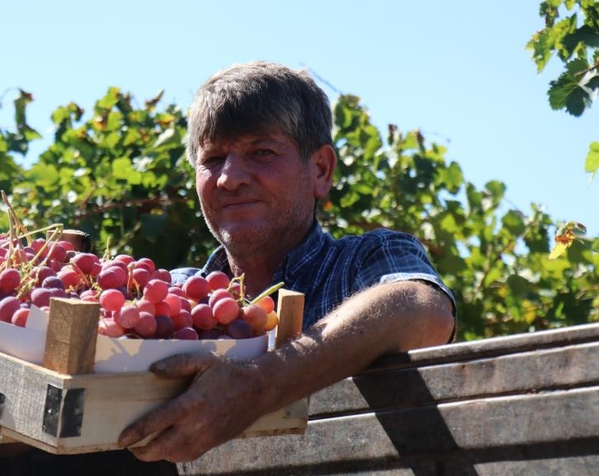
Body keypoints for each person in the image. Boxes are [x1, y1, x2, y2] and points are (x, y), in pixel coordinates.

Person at [116, 61, 456, 463]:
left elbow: (424, 309)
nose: (229, 178)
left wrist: (257, 386)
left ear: (320, 170)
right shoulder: (170, 296)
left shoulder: (361, 263)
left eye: (261, 152)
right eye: (212, 159)